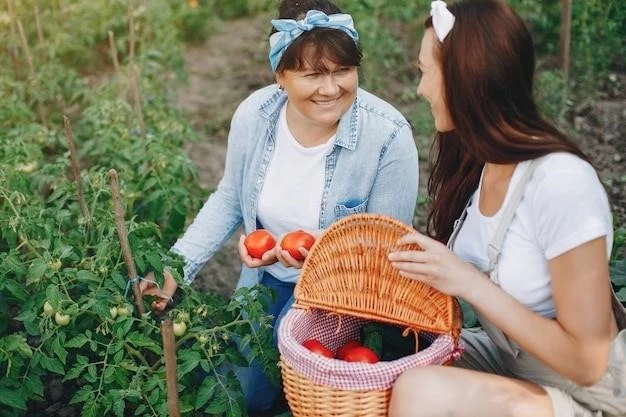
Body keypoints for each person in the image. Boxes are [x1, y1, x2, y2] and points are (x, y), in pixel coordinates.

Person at [140, 0, 419, 413]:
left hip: (338, 292)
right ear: (281, 77)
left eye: (342, 71)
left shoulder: (388, 136)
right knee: (241, 398)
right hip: (265, 279)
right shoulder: (255, 116)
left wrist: (317, 247)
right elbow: (231, 197)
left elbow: (384, 248)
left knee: (307, 392)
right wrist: (174, 271)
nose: (330, 89)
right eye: (312, 75)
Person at [386, 1, 626, 416]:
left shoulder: (561, 183)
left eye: (425, 72)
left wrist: (471, 284)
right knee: (394, 368)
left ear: (465, 79)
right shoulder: (483, 163)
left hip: (592, 395)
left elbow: (589, 363)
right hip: (517, 369)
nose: (421, 89)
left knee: (421, 390)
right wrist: (343, 243)